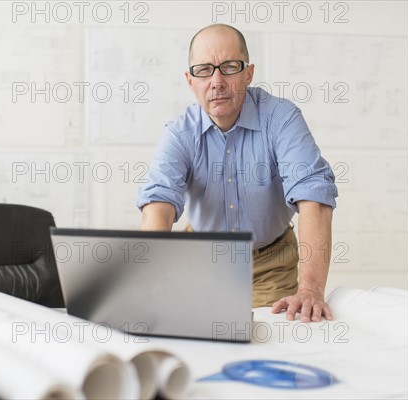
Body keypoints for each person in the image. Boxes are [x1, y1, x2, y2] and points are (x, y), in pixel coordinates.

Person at [137, 24, 338, 323]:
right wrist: (144, 282)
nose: (217, 81)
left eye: (229, 67)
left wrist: (310, 289)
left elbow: (313, 194)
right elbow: (159, 204)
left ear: (248, 73)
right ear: (190, 81)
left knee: (276, 341)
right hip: (200, 260)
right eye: (204, 70)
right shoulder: (179, 133)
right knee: (193, 339)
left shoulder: (282, 118)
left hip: (271, 261)